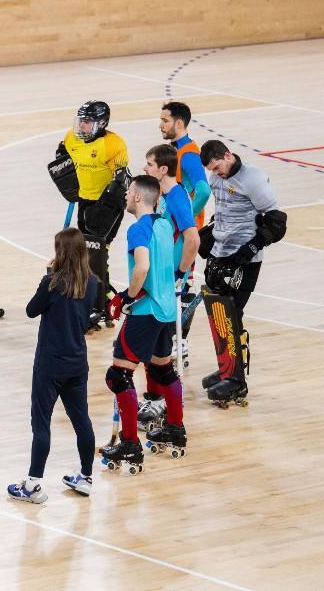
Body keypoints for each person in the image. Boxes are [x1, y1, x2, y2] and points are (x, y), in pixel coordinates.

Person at [7, 228, 99, 504]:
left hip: (49, 364)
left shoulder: (52, 284)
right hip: (77, 363)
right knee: (81, 420)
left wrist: (47, 275)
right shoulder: (92, 283)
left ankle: (34, 485)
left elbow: (31, 310)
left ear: (60, 254)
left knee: (42, 423)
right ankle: (85, 476)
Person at [98, 175, 181, 473]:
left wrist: (126, 297)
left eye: (129, 191)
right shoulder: (163, 225)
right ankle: (175, 428)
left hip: (145, 312)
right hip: (166, 310)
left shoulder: (138, 229)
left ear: (136, 197)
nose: (125, 195)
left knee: (118, 377)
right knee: (163, 370)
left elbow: (142, 266)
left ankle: (130, 445)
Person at [198, 140, 286, 404]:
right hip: (220, 253)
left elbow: (276, 222)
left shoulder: (254, 179)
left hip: (245, 259)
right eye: (212, 170)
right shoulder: (216, 178)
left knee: (233, 314)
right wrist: (210, 238)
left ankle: (237, 381)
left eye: (218, 167)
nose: (216, 173)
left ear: (228, 155)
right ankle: (228, 368)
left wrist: (250, 248)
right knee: (219, 313)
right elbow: (222, 213)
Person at [136, 144, 199, 432]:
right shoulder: (162, 195)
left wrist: (180, 275)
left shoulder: (176, 198)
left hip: (169, 285)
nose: (145, 168)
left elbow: (192, 239)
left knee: (158, 345)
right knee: (156, 348)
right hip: (159, 282)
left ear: (163, 169)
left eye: (149, 164)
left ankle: (161, 402)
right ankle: (156, 399)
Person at [57, 101, 130, 332]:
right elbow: (62, 158)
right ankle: (104, 298)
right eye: (81, 121)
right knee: (86, 254)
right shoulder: (71, 137)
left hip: (107, 204)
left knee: (94, 254)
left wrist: (108, 203)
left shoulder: (114, 144)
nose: (82, 126)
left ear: (102, 123)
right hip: (84, 200)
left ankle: (99, 303)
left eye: (87, 122)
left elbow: (121, 180)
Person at [160, 101, 211, 357]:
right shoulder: (175, 150)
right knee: (172, 283)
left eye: (165, 121)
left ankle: (181, 342)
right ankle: (173, 340)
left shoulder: (189, 154)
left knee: (182, 284)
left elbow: (203, 190)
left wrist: (185, 220)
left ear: (179, 123)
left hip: (182, 235)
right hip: (172, 232)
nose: (161, 125)